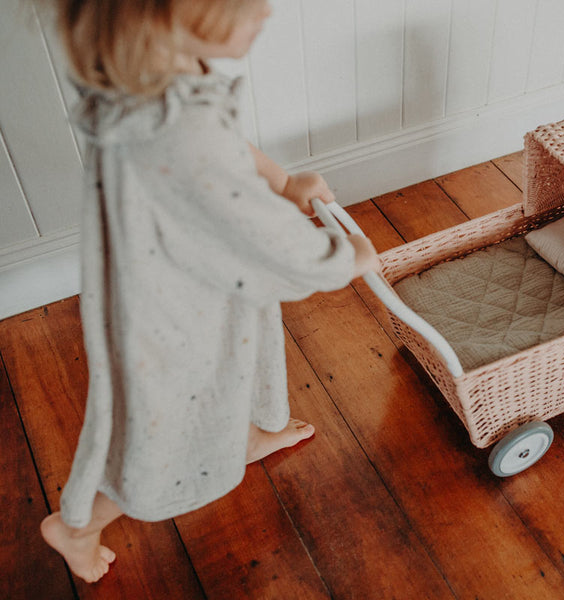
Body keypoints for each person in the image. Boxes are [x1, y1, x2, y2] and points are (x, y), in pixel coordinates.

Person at [39, 0, 379, 583]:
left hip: (187, 279)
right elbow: (256, 227)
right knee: (174, 423)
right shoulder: (174, 127)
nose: (267, 14)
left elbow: (222, 148)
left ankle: (244, 434)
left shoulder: (155, 74)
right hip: (176, 309)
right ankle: (77, 526)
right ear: (163, 16)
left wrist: (281, 179)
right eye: (247, 7)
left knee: (233, 367)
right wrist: (341, 257)